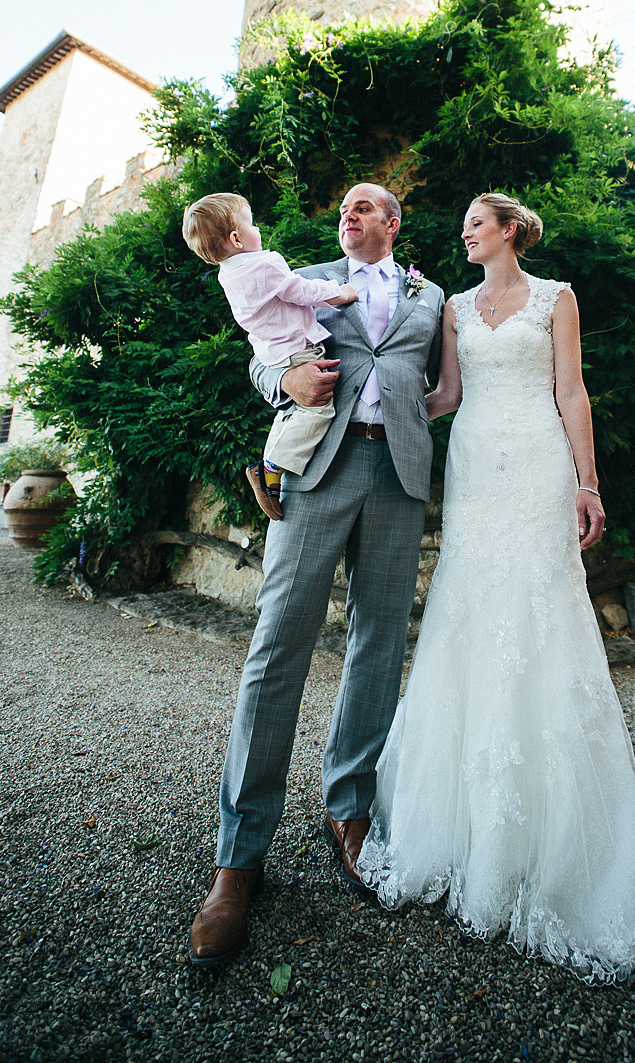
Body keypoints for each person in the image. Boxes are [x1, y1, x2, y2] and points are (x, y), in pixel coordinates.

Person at [356, 193, 635, 983]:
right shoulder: (451, 307)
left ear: (510, 231)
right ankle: (461, 830)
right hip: (474, 469)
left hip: (538, 464)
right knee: (469, 616)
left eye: (476, 222)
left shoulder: (555, 299)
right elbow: (446, 397)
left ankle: (557, 847)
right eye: (462, 224)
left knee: (539, 616)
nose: (464, 232)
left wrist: (589, 483)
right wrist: (380, 401)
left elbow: (571, 392)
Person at [188, 183, 445, 968]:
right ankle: (239, 858)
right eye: (343, 208)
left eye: (365, 206)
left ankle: (351, 811)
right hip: (319, 469)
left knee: (377, 645)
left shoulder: (430, 295)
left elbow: (443, 383)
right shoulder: (294, 273)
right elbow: (263, 359)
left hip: (399, 474)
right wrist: (287, 385)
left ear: (392, 223)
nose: (350, 214)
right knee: (277, 646)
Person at [182, 192, 360, 521]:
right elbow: (302, 290)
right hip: (297, 350)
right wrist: (341, 292)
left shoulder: (228, 274)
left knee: (290, 413)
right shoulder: (263, 265)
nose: (257, 227)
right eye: (250, 222)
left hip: (274, 352)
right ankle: (272, 468)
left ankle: (269, 465)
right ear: (236, 238)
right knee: (318, 411)